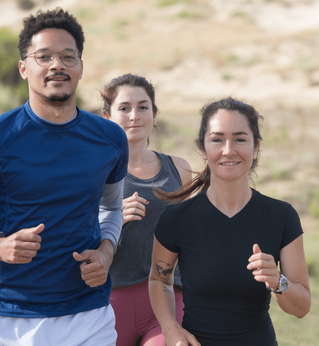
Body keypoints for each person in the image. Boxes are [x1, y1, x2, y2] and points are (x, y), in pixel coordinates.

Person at [0, 8, 129, 346]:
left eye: (68, 57)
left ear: (81, 68)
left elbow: (112, 209)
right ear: (24, 68)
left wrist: (105, 253)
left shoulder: (111, 139)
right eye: (44, 56)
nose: (57, 65)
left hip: (88, 311)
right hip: (8, 316)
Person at [149, 97, 311, 346]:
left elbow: (301, 307)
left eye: (239, 139)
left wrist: (277, 280)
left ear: (256, 147)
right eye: (217, 139)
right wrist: (170, 328)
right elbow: (159, 279)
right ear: (202, 148)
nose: (228, 150)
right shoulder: (177, 218)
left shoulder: (282, 216)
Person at [101, 73, 192, 346]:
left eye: (143, 107)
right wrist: (112, 218)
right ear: (107, 116)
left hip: (168, 299)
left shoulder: (180, 168)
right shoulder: (95, 173)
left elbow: (192, 238)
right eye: (124, 108)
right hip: (109, 301)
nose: (134, 115)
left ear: (154, 114)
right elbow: (75, 236)